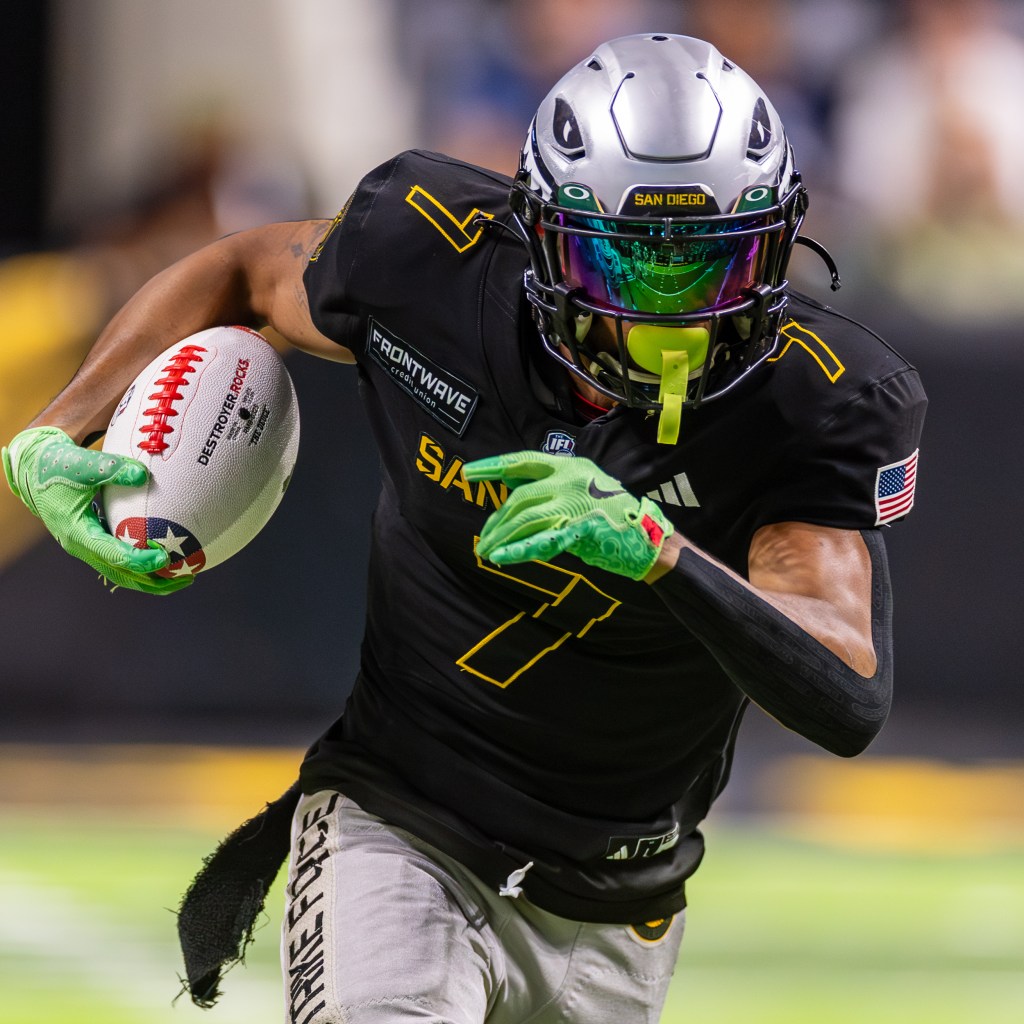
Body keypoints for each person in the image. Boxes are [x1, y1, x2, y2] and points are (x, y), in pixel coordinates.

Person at [3, 33, 926, 1024]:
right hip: (403, 827)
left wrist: (662, 554)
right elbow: (243, 269)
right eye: (628, 261)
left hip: (623, 906)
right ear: (545, 236)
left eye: (713, 265)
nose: (675, 311)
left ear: (778, 241)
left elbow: (847, 690)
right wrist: (59, 424)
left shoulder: (820, 398)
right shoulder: (426, 259)